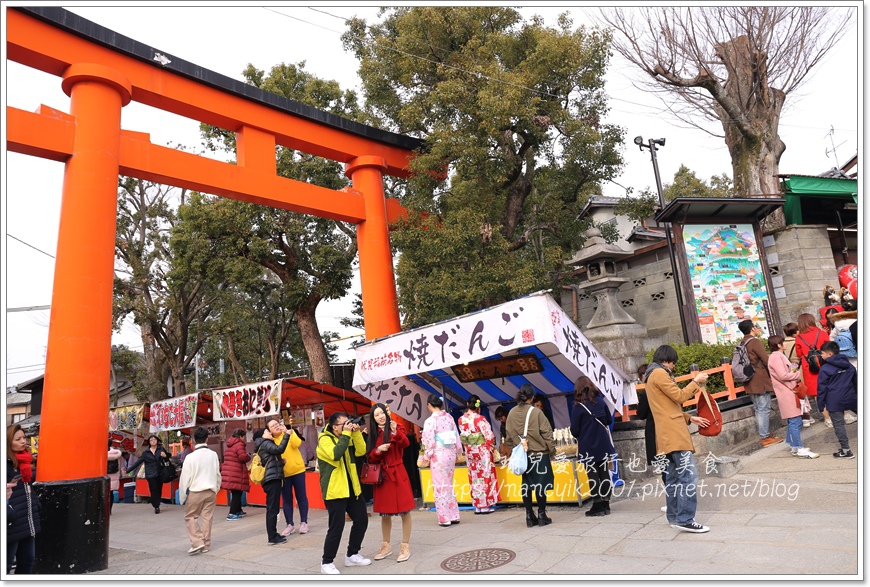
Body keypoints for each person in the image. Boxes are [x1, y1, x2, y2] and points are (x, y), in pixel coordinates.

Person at [644, 345, 711, 533]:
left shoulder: (651, 374)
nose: (674, 367)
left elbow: (667, 407)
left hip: (666, 434)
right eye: (673, 363)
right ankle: (685, 518)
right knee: (688, 476)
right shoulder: (659, 373)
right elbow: (679, 396)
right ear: (668, 360)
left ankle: (674, 517)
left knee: (673, 478)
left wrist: (689, 418)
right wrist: (696, 382)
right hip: (673, 434)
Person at [316, 412, 371, 575]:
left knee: (361, 520)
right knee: (336, 527)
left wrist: (355, 433)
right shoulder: (324, 439)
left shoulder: (347, 435)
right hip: (335, 491)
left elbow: (361, 452)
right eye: (344, 424)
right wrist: (347, 433)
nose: (348, 425)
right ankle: (326, 562)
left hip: (352, 487)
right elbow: (335, 454)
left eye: (349, 423)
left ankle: (352, 554)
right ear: (334, 427)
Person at [367, 403, 416, 563]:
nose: (380, 416)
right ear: (373, 419)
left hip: (398, 471)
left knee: (405, 511)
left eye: (382, 413)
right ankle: (386, 545)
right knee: (384, 513)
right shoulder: (373, 434)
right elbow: (370, 457)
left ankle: (405, 545)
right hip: (383, 476)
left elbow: (406, 444)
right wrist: (377, 451)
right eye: (377, 415)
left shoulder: (397, 426)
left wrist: (395, 432)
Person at [504, 384, 556, 528]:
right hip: (539, 454)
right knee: (540, 485)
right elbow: (547, 434)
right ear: (532, 397)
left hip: (523, 456)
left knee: (526, 485)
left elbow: (508, 437)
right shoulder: (537, 412)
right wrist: (552, 452)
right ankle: (541, 515)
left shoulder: (511, 413)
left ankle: (528, 515)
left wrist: (517, 448)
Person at [570, 376, 616, 517]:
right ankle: (606, 504)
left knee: (593, 475)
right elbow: (608, 420)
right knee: (604, 473)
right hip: (602, 443)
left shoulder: (578, 407)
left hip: (588, 446)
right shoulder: (601, 402)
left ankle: (597, 505)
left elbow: (575, 431)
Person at [767, 336, 819, 459]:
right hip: (787, 392)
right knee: (795, 420)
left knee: (793, 420)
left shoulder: (777, 356)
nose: (784, 343)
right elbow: (783, 375)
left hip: (788, 391)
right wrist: (796, 374)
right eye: (782, 342)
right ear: (779, 345)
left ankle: (794, 446)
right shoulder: (775, 357)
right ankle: (798, 447)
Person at [737, 319, 782, 447]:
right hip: (759, 379)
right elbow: (766, 359)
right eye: (755, 326)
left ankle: (765, 434)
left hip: (749, 379)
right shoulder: (754, 342)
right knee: (763, 409)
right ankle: (765, 437)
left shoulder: (742, 342)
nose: (757, 328)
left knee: (758, 408)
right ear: (752, 328)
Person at [178, 427, 221, 555]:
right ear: (206, 439)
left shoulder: (191, 457)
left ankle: (197, 542)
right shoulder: (213, 455)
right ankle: (206, 544)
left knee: (190, 516)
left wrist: (182, 497)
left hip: (196, 490)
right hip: (211, 490)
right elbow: (217, 474)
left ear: (194, 440)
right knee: (207, 518)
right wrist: (216, 488)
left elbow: (185, 478)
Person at [421, 394, 462, 527]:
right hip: (450, 453)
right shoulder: (449, 417)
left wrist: (427, 455)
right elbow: (456, 435)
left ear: (429, 405)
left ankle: (445, 517)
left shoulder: (430, 421)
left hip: (438, 454)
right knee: (448, 484)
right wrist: (457, 451)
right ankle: (454, 514)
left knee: (440, 485)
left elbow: (428, 440)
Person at [7, 424, 41, 574]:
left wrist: (36, 505)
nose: (23, 441)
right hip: (11, 522)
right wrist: (10, 512)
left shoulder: (25, 462)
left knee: (28, 561)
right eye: (18, 439)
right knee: (6, 566)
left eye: (24, 437)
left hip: (27, 520)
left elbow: (28, 487)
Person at [457, 395, 499, 515]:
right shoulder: (480, 419)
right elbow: (489, 436)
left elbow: (464, 435)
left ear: (467, 404)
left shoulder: (461, 420)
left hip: (470, 451)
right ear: (478, 406)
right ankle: (485, 505)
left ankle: (477, 506)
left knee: (474, 477)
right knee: (484, 476)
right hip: (482, 451)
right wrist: (490, 447)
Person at [268, 418, 310, 537]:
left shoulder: (288, 432)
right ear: (269, 430)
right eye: (272, 426)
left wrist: (288, 431)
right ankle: (289, 524)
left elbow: (298, 443)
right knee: (286, 499)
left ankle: (304, 522)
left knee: (301, 497)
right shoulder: (271, 441)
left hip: (297, 470)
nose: (276, 426)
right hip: (283, 473)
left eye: (276, 424)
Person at [817, 341, 858, 459]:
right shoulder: (849, 365)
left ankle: (846, 450)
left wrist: (821, 405)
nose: (821, 355)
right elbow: (856, 382)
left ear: (829, 354)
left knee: (839, 424)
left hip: (834, 399)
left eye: (823, 353)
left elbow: (821, 388)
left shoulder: (825, 368)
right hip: (851, 396)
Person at [255, 423, 292, 545]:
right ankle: (272, 536)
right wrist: (287, 435)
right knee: (272, 509)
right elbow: (279, 449)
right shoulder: (266, 443)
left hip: (271, 478)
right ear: (262, 436)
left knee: (273, 508)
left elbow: (271, 460)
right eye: (267, 432)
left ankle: (273, 534)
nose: (270, 433)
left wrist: (281, 462)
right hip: (272, 479)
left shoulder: (264, 444)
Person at [795, 313, 833, 427]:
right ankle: (842, 415)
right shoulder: (821, 333)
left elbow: (799, 354)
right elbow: (829, 346)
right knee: (832, 389)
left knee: (818, 394)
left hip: (810, 368)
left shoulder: (799, 337)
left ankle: (828, 419)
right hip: (825, 364)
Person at [127, 435, 172, 514]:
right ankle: (156, 505)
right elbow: (138, 462)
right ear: (149, 442)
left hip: (160, 472)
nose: (153, 441)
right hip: (150, 473)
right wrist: (129, 470)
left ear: (157, 441)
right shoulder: (146, 452)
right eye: (151, 440)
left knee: (158, 489)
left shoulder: (161, 449)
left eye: (155, 439)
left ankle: (156, 503)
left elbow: (168, 456)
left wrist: (165, 456)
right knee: (153, 489)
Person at [783, 322, 815, 428]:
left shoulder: (783, 344)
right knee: (803, 395)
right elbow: (800, 355)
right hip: (800, 369)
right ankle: (807, 417)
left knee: (798, 395)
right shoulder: (796, 341)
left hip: (790, 371)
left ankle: (804, 418)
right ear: (795, 332)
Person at [220, 428, 250, 520]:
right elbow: (242, 457)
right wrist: (248, 456)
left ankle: (238, 510)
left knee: (237, 491)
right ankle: (232, 513)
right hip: (236, 471)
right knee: (237, 492)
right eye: (243, 436)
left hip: (230, 470)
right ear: (241, 436)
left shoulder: (229, 444)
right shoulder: (239, 444)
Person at [107, 440, 123, 515]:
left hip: (103, 475)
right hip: (114, 475)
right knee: (111, 493)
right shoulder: (116, 453)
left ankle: (104, 509)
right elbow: (119, 465)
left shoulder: (99, 453)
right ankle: (109, 510)